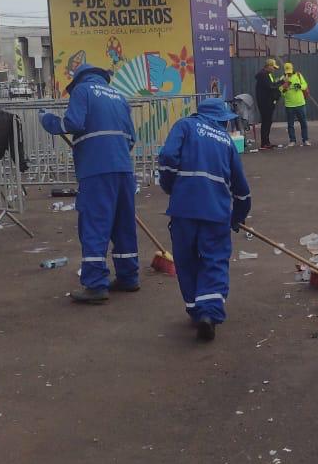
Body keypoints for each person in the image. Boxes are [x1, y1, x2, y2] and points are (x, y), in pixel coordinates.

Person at [39, 64, 139, 304]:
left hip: (96, 169)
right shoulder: (118, 97)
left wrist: (48, 120)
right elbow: (132, 138)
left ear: (79, 80)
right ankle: (128, 276)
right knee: (123, 224)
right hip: (123, 168)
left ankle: (95, 284)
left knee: (95, 224)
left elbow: (72, 123)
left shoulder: (83, 91)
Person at [158, 98, 251, 342]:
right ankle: (209, 312)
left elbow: (168, 157)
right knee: (214, 261)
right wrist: (237, 217)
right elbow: (242, 190)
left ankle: (195, 309)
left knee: (186, 261)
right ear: (221, 120)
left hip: (183, 209)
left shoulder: (185, 126)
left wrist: (169, 186)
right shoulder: (226, 142)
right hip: (216, 212)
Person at [253, 59, 282, 149]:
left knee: (268, 122)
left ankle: (266, 142)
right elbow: (271, 86)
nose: (274, 69)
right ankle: (264, 143)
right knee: (266, 122)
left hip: (267, 102)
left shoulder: (266, 75)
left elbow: (271, 85)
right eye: (273, 67)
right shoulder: (263, 75)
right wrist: (281, 82)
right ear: (268, 66)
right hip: (265, 103)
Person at [280, 62, 310, 146]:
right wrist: (285, 88)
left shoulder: (298, 75)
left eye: (290, 71)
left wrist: (299, 86)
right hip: (289, 105)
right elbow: (281, 92)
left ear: (292, 69)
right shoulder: (283, 78)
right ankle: (292, 140)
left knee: (303, 122)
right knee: (290, 124)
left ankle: (305, 139)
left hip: (300, 103)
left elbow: (305, 85)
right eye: (287, 72)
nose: (288, 73)